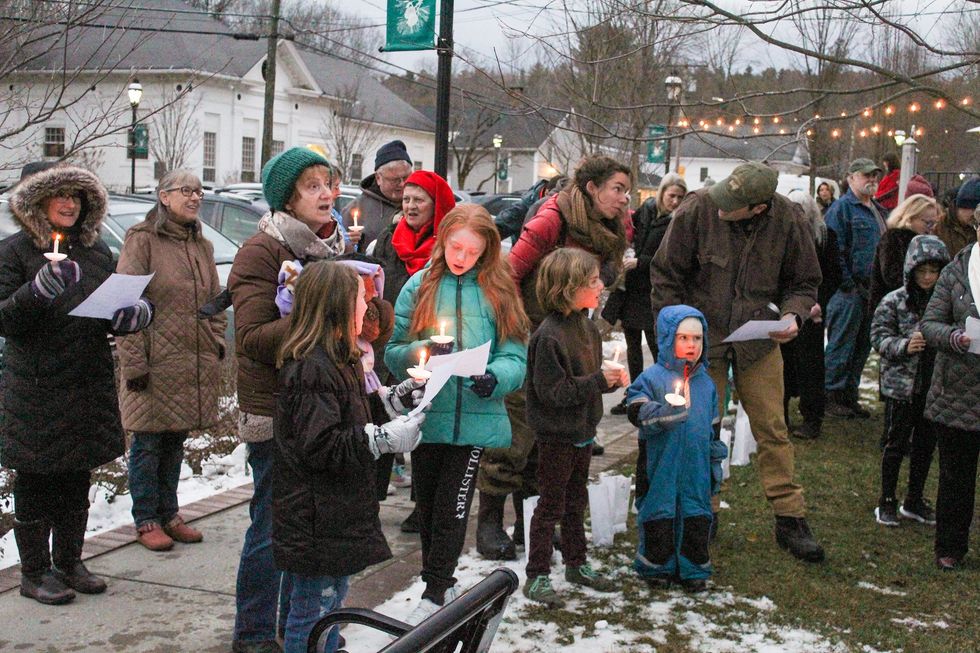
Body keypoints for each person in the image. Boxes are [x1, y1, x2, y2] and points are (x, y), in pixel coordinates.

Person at [650, 161, 825, 562]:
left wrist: (792, 315)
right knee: (700, 430)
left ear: (758, 207)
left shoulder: (788, 219)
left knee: (772, 428)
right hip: (701, 341)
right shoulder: (697, 209)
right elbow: (664, 275)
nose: (722, 207)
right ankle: (701, 513)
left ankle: (789, 516)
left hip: (758, 341)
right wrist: (679, 331)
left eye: (733, 205)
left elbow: (804, 282)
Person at [0, 165, 153, 604]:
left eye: (76, 196)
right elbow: (6, 319)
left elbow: (116, 302)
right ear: (35, 203)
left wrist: (135, 313)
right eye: (59, 195)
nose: (70, 204)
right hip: (36, 387)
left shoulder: (95, 251)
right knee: (35, 480)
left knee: (75, 478)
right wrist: (38, 290)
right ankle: (34, 572)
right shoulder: (13, 253)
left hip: (85, 381)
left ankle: (70, 561)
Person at [476, 155, 630, 561]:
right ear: (592, 188)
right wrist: (510, 332)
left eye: (626, 190)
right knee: (516, 427)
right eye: (617, 188)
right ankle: (489, 521)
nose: (623, 197)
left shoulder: (613, 226)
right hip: (528, 330)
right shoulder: (552, 218)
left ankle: (532, 521)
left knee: (549, 433)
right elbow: (509, 273)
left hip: (571, 329)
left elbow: (608, 272)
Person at [384, 204, 529, 624]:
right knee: (428, 505)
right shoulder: (420, 286)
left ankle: (435, 587)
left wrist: (496, 377)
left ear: (487, 252)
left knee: (453, 505)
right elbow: (394, 351)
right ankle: (438, 581)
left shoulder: (499, 291)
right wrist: (422, 354)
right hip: (431, 414)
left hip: (476, 418)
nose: (461, 257)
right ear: (443, 240)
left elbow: (514, 353)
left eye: (472, 250)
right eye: (455, 246)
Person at [273, 261, 425, 653]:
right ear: (337, 307)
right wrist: (382, 439)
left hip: (331, 512)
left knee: (329, 603)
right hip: (315, 516)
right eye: (360, 299)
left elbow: (349, 414)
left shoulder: (339, 359)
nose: (367, 307)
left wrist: (390, 400)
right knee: (313, 613)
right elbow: (321, 444)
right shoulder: (312, 368)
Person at [229, 147, 346, 653]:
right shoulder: (263, 250)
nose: (326, 194)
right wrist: (323, 322)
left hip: (320, 407)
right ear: (287, 198)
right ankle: (253, 633)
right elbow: (253, 336)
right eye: (312, 186)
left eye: (328, 183)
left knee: (303, 531)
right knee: (272, 525)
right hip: (277, 411)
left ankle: (288, 626)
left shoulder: (330, 247)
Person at [116, 170, 227, 552]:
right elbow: (123, 304)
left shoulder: (202, 245)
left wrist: (214, 343)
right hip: (152, 362)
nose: (195, 197)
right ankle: (146, 518)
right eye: (186, 191)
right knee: (148, 444)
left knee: (175, 440)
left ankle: (170, 513)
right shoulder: (142, 240)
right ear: (163, 197)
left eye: (199, 191)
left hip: (190, 361)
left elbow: (215, 300)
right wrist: (133, 364)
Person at [522, 249, 628, 608]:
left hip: (582, 430)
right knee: (550, 504)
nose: (600, 285)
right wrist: (598, 381)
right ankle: (536, 574)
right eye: (593, 281)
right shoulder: (549, 337)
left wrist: (610, 382)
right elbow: (552, 393)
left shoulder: (587, 327)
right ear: (569, 288)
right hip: (556, 435)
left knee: (575, 501)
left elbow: (587, 383)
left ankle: (575, 563)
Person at [373, 169, 456, 532]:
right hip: (389, 342)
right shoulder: (390, 239)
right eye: (406, 199)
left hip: (428, 343)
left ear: (435, 204)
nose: (409, 206)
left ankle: (421, 505)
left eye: (418, 200)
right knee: (380, 417)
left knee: (422, 421)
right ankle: (369, 500)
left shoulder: (447, 244)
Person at [626, 305, 725, 592]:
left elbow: (713, 429)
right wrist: (660, 413)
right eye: (683, 338)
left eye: (697, 338)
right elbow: (636, 409)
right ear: (668, 339)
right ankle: (657, 566)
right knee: (660, 512)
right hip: (661, 465)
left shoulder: (706, 385)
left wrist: (715, 463)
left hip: (696, 468)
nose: (691, 344)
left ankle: (693, 568)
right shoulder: (651, 378)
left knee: (696, 513)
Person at [870, 235, 949, 528]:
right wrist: (904, 346)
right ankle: (887, 499)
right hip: (901, 388)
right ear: (911, 270)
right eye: (922, 271)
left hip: (934, 388)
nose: (928, 277)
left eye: (934, 271)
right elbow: (877, 337)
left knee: (926, 445)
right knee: (895, 443)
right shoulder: (894, 301)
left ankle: (914, 499)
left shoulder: (947, 303)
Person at [919, 210, 980, 571]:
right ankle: (950, 547)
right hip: (957, 389)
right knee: (956, 476)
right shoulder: (957, 271)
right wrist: (954, 338)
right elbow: (929, 323)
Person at [609, 173, 687, 417]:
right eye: (671, 195)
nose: (675, 201)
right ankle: (634, 394)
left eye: (680, 197)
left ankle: (662, 392)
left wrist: (640, 262)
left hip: (654, 292)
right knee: (633, 347)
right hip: (632, 290)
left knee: (657, 346)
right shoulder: (645, 213)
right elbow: (631, 236)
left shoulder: (677, 223)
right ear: (662, 192)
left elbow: (671, 258)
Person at [824, 158, 888, 419]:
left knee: (863, 346)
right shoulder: (841, 210)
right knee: (841, 344)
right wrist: (848, 283)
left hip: (871, 292)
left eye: (875, 175)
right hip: (848, 291)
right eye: (866, 175)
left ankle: (850, 395)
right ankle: (830, 396)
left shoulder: (878, 211)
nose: (872, 180)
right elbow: (834, 250)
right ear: (850, 178)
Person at [781, 190, 842, 440]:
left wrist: (819, 303)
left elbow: (833, 274)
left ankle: (812, 418)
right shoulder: (782, 238)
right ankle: (780, 415)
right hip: (785, 311)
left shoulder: (825, 238)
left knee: (811, 368)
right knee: (782, 365)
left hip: (812, 313)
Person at [868, 194, 941, 314]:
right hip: (890, 310)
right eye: (927, 222)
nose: (931, 228)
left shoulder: (929, 242)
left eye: (934, 223)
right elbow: (892, 277)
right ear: (909, 218)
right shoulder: (893, 239)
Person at [342, 140, 413, 251]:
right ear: (378, 178)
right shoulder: (355, 209)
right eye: (395, 180)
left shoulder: (421, 203)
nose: (402, 184)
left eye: (406, 177)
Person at [935, 177, 979, 258]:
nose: (975, 215)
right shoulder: (939, 226)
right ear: (961, 206)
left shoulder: (976, 228)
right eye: (973, 209)